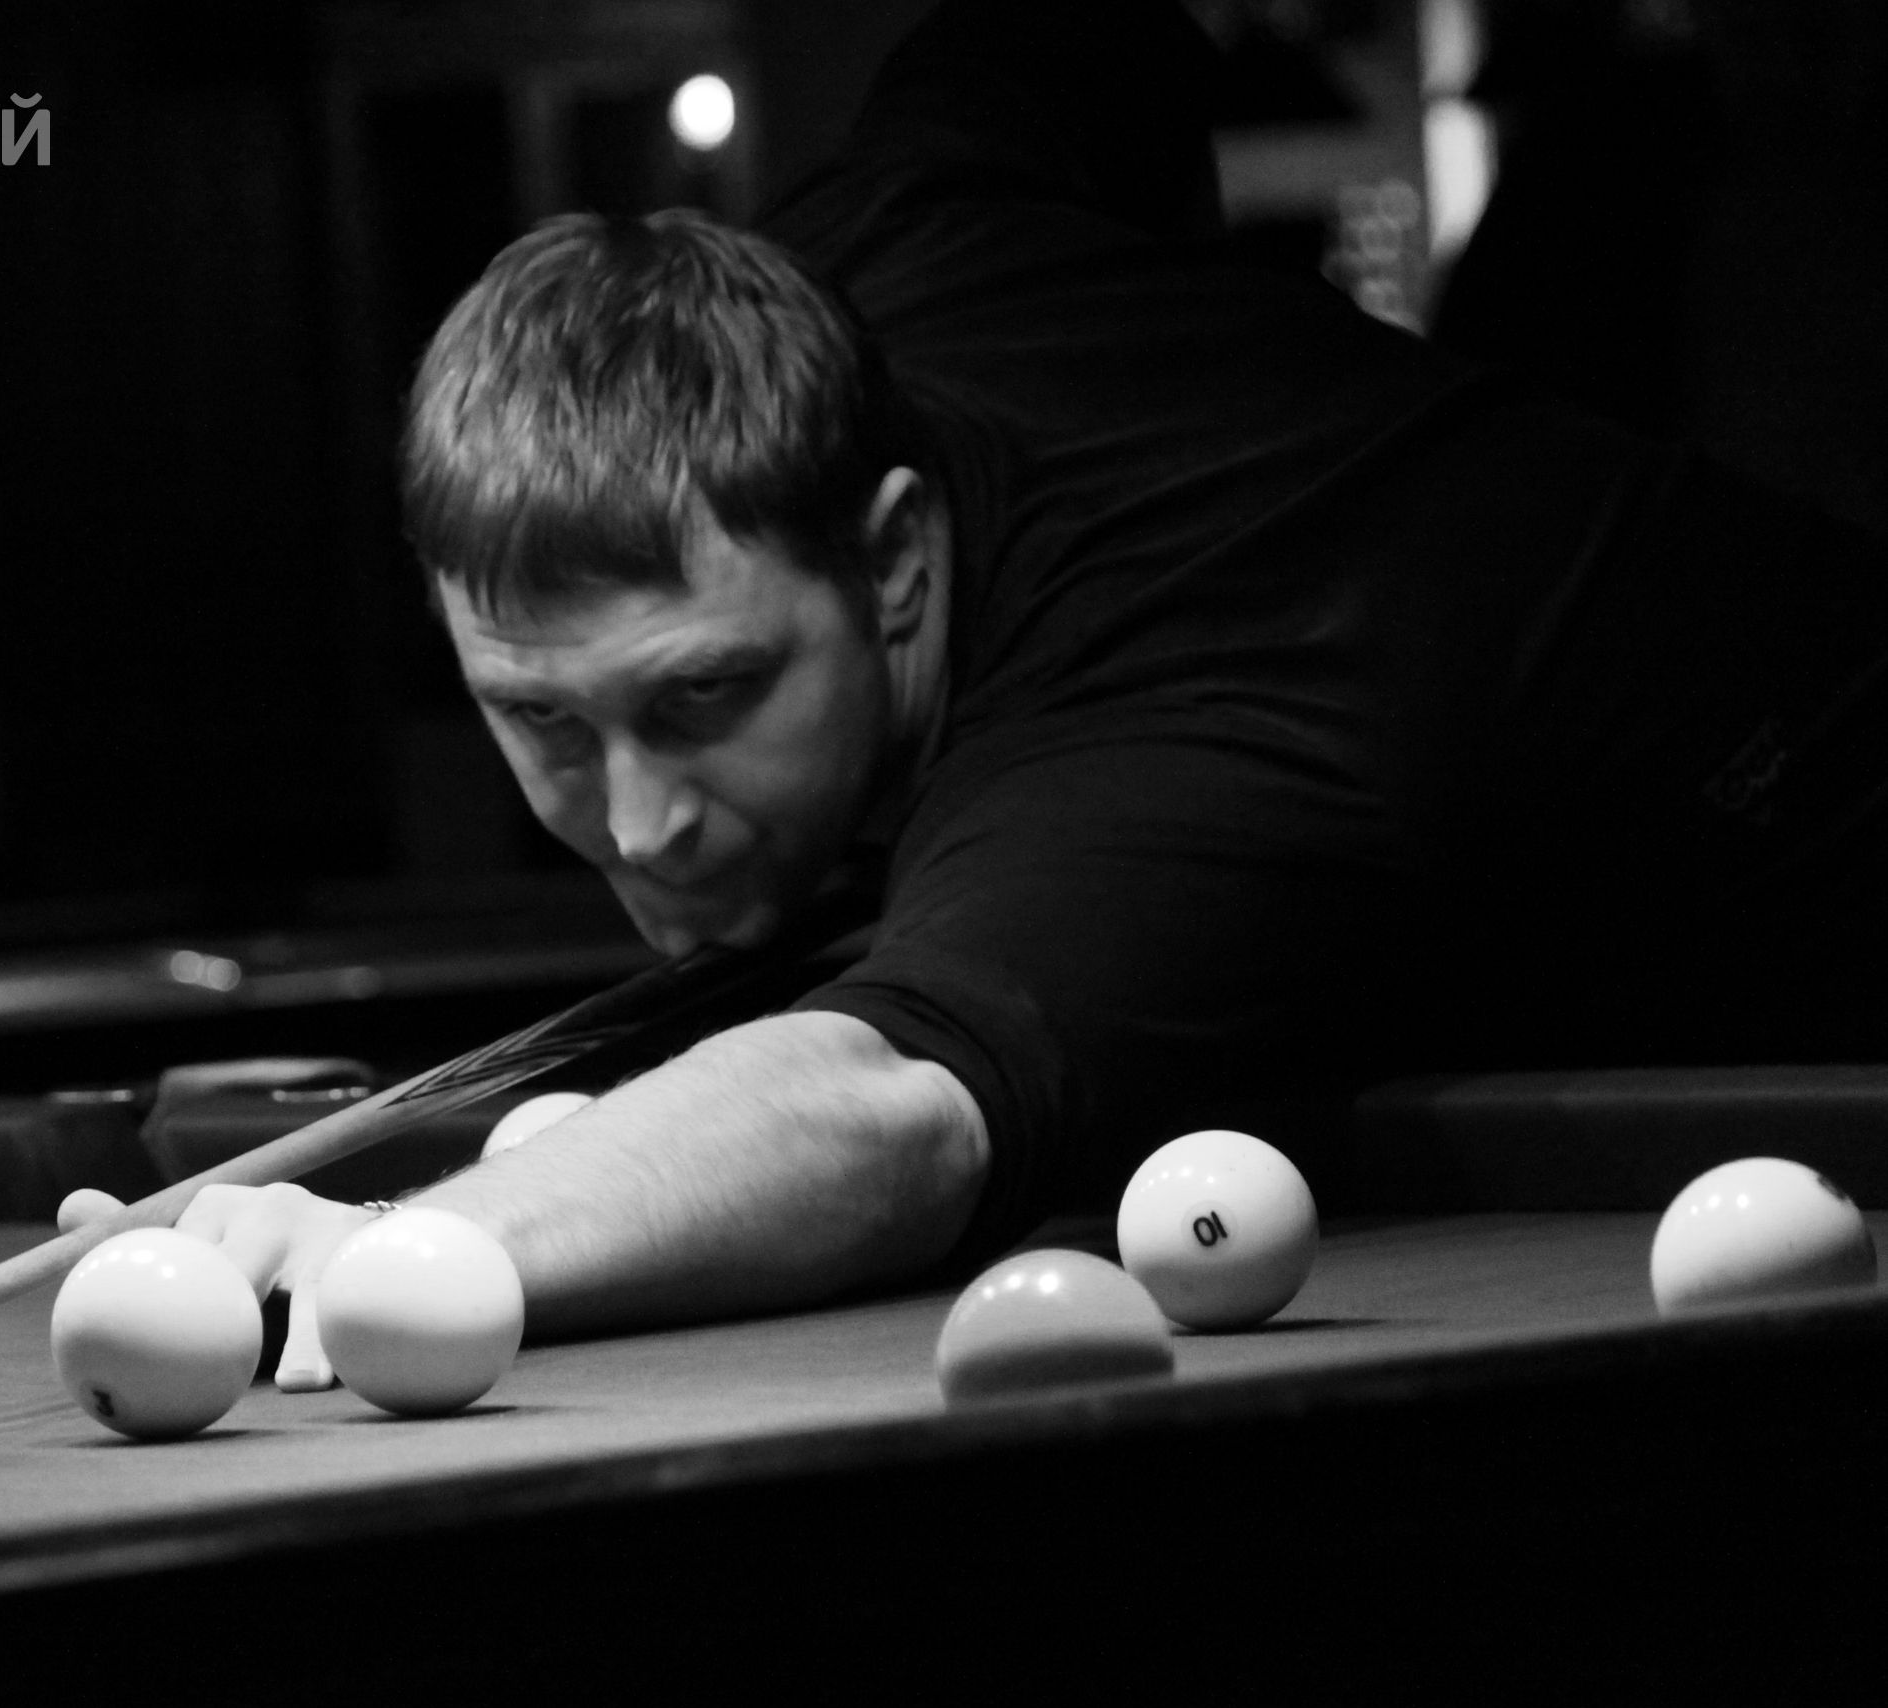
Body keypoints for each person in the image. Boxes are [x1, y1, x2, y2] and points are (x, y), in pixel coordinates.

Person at [180, 0, 1888, 1377]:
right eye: (542, 719)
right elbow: (1081, 37)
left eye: (704, 697)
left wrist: (418, 1246)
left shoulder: (1155, 746)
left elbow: (885, 1113)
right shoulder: (896, 230)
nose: (637, 823)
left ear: (895, 562)